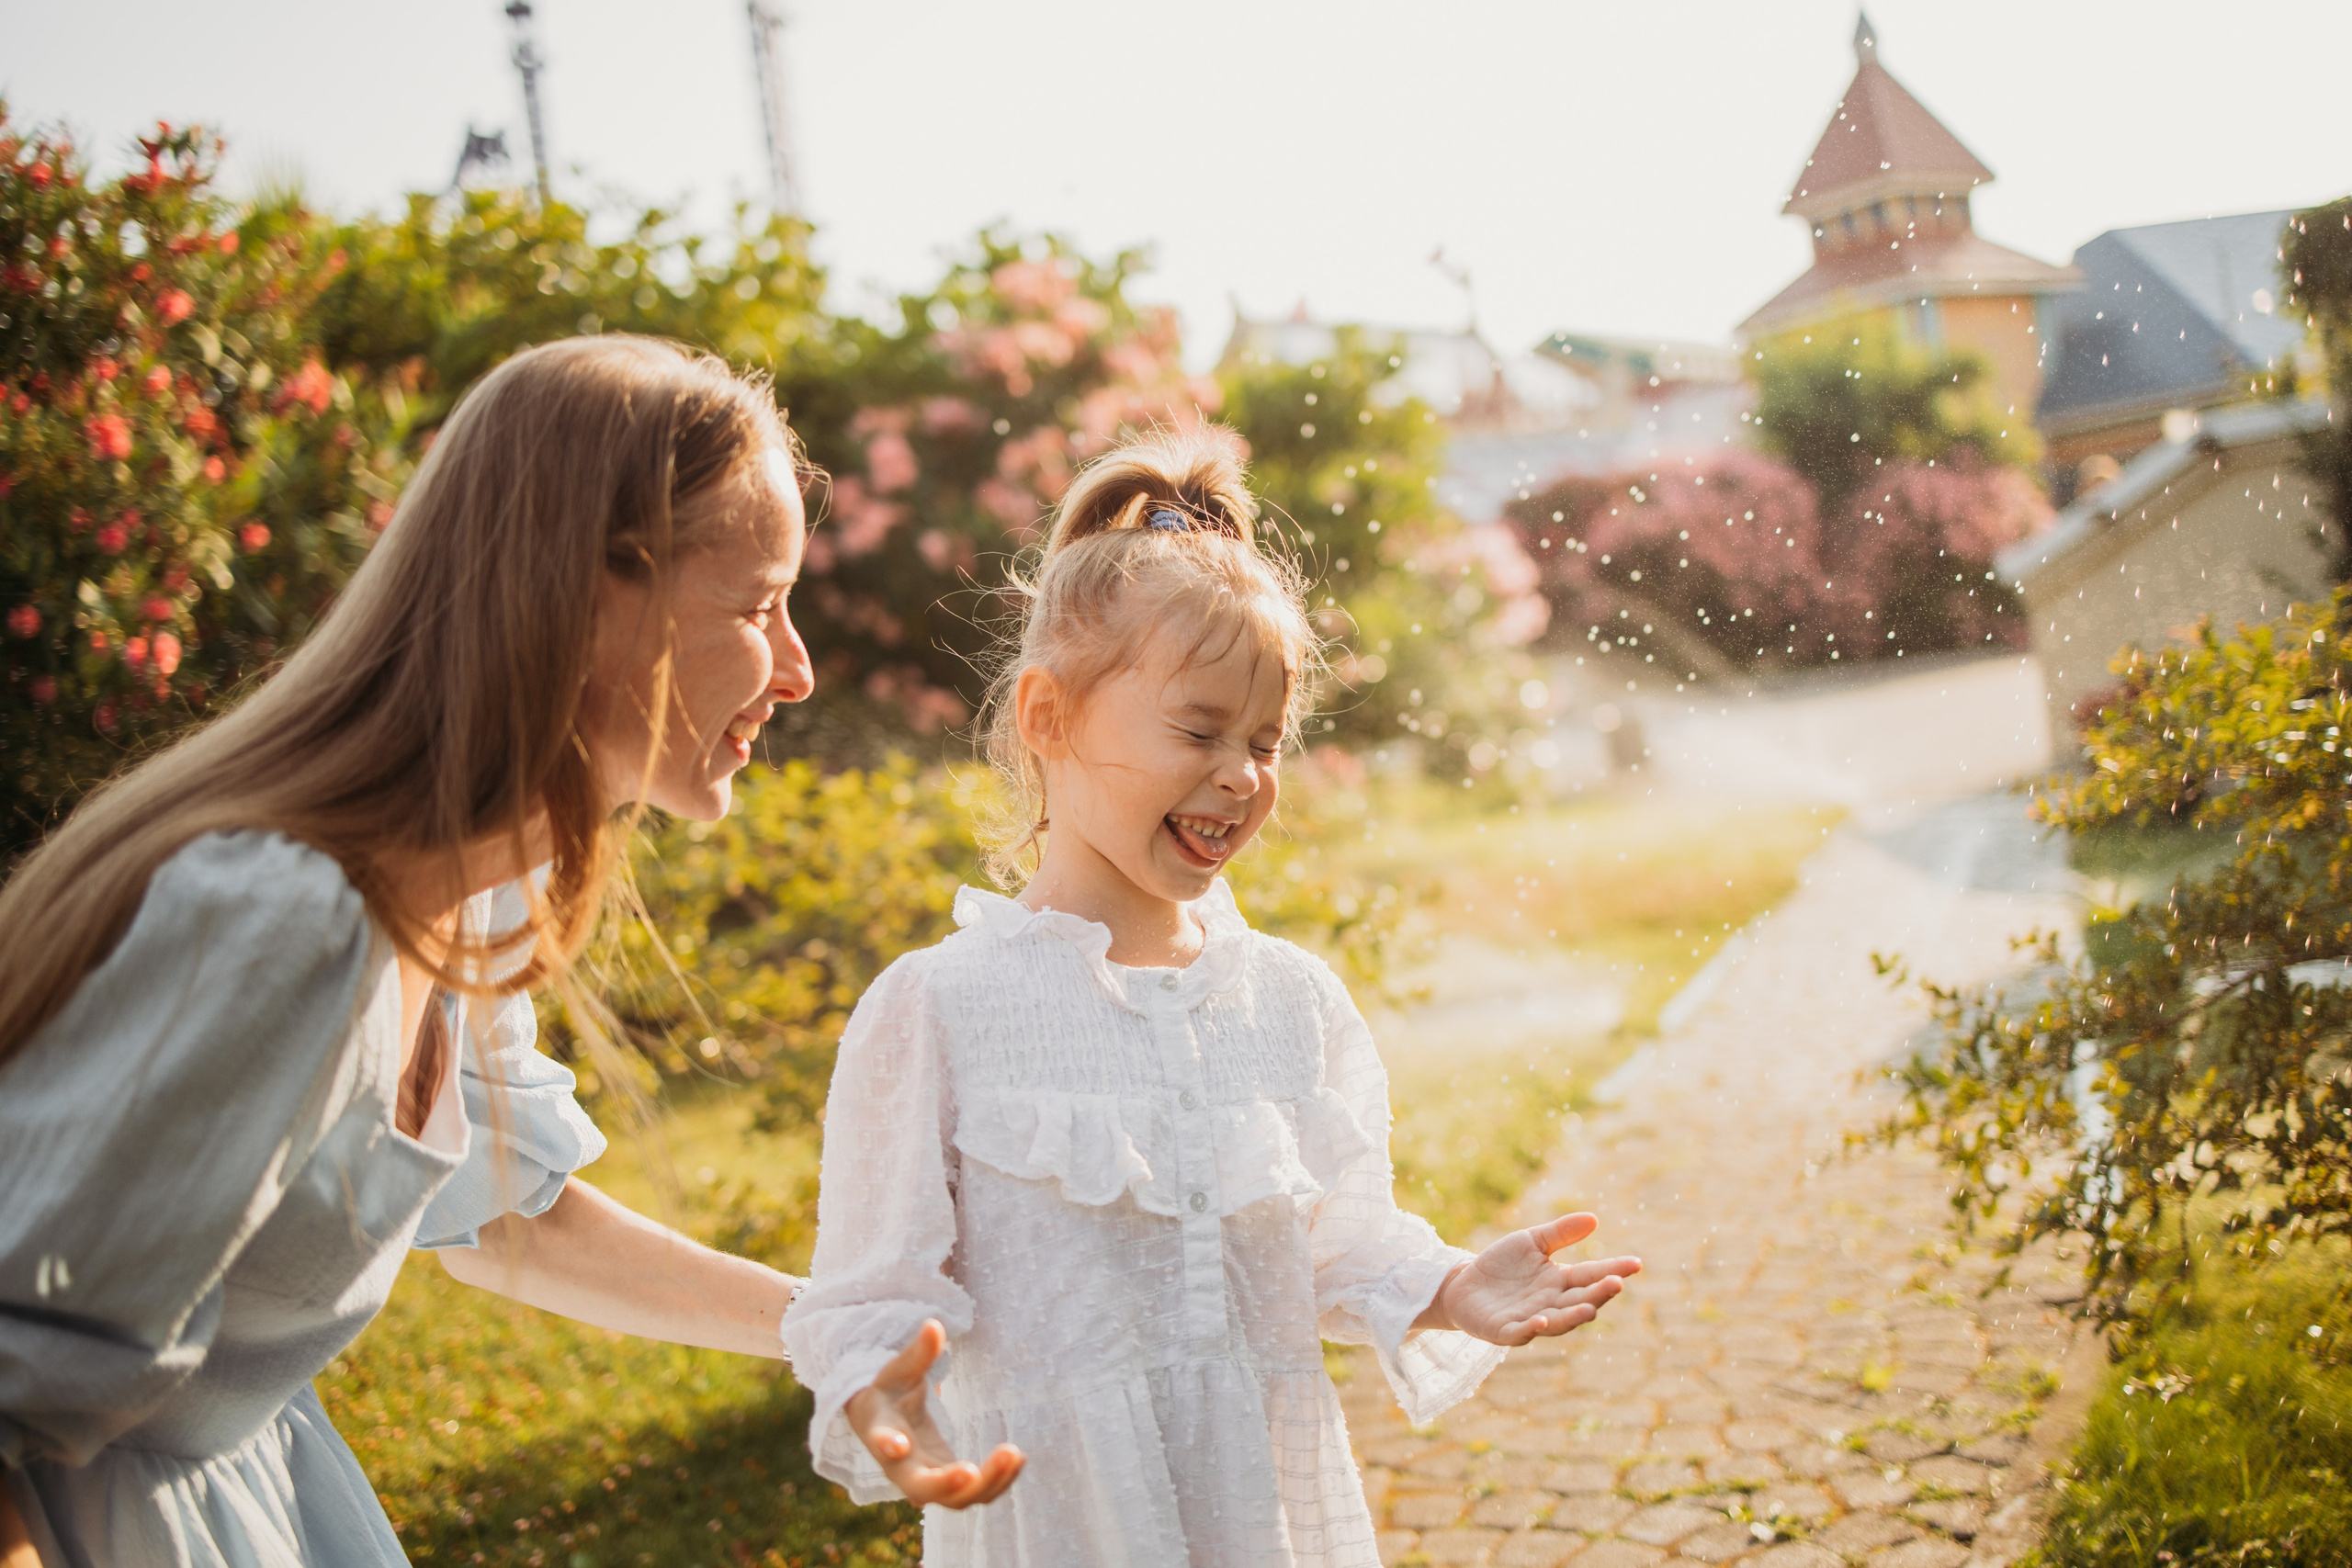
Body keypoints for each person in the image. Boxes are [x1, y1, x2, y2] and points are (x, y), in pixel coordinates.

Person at [0, 336, 1018, 1568]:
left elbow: (512, 1222)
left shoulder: (473, 899)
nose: (796, 668)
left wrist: (845, 1339)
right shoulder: (288, 915)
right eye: (758, 604)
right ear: (584, 594)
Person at [781, 427, 1642, 1566]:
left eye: (1266, 741)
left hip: (1257, 1517)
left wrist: (1445, 1285)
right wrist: (879, 1400)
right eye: (1198, 730)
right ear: (1046, 719)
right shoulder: (943, 1007)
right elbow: (868, 1289)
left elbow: (1333, 1240)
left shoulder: (1288, 1000)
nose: (1240, 774)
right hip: (1057, 1527)